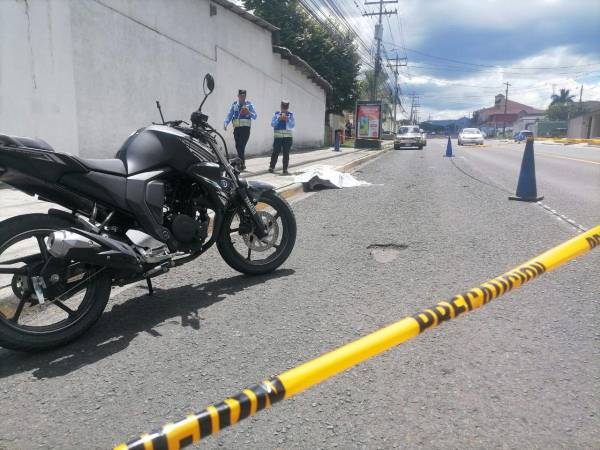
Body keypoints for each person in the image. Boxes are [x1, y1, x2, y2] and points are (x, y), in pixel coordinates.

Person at [224, 89, 257, 170]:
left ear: (245, 96)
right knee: (238, 146)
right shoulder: (234, 104)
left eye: (243, 96)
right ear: (238, 96)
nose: (242, 98)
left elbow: (255, 116)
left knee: (241, 146)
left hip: (245, 130)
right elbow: (230, 114)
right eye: (240, 96)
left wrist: (249, 112)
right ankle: (241, 164)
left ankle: (241, 164)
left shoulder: (249, 105)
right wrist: (225, 123)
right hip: (236, 129)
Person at [269, 100, 295, 175]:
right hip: (278, 137)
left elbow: (292, 125)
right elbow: (272, 124)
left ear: (288, 107)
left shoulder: (290, 115)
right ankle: (271, 167)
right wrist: (278, 119)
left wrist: (287, 120)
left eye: (286, 107)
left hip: (288, 138)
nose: (284, 109)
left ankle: (285, 169)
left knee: (286, 153)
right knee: (275, 151)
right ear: (281, 107)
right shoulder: (276, 114)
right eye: (283, 107)